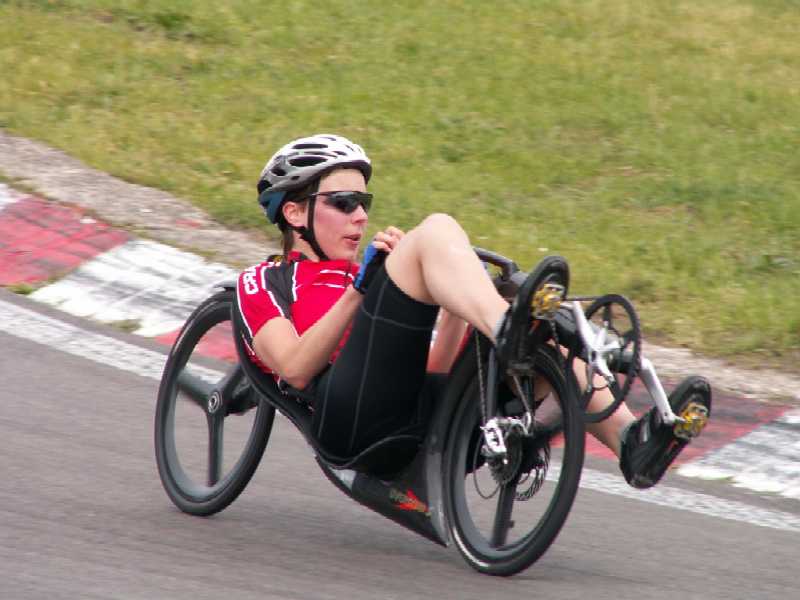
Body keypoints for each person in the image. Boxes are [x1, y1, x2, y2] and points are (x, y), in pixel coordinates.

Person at [236, 133, 711, 488]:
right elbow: (295, 369)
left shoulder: (367, 267)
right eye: (343, 202)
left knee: (544, 327)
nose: (360, 215)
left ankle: (633, 443)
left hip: (425, 425)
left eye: (364, 202)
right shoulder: (265, 281)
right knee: (435, 231)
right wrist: (365, 287)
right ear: (295, 213)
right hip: (350, 424)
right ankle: (509, 329)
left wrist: (448, 305)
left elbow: (430, 371)